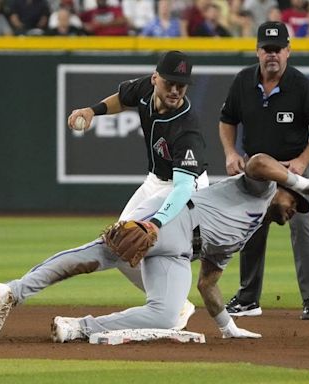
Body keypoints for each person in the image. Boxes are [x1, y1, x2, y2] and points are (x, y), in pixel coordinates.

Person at [0, 153, 309, 343]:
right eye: (296, 201)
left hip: (180, 255)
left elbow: (207, 283)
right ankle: (9, 292)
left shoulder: (246, 232)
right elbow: (257, 162)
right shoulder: (262, 190)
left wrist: (227, 327)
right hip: (173, 219)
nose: (294, 208)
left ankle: (79, 328)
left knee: (166, 315)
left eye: (300, 207)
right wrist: (298, 180)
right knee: (97, 256)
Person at [69, 50, 209, 330]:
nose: (175, 90)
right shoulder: (146, 88)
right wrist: (92, 110)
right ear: (156, 78)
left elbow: (182, 188)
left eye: (181, 84)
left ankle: (169, 305)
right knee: (118, 244)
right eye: (169, 82)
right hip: (155, 181)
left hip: (185, 184)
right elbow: (122, 99)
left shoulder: (186, 124)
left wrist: (156, 222)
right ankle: (175, 304)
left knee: (132, 241)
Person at [219, 21, 309, 320]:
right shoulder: (243, 82)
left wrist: (303, 161)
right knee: (252, 225)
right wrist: (231, 152)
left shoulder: (302, 86)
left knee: (301, 225)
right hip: (257, 171)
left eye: (278, 49)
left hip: (292, 170)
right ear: (257, 51)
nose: (273, 55)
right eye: (267, 49)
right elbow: (227, 119)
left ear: (288, 52)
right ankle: (248, 298)